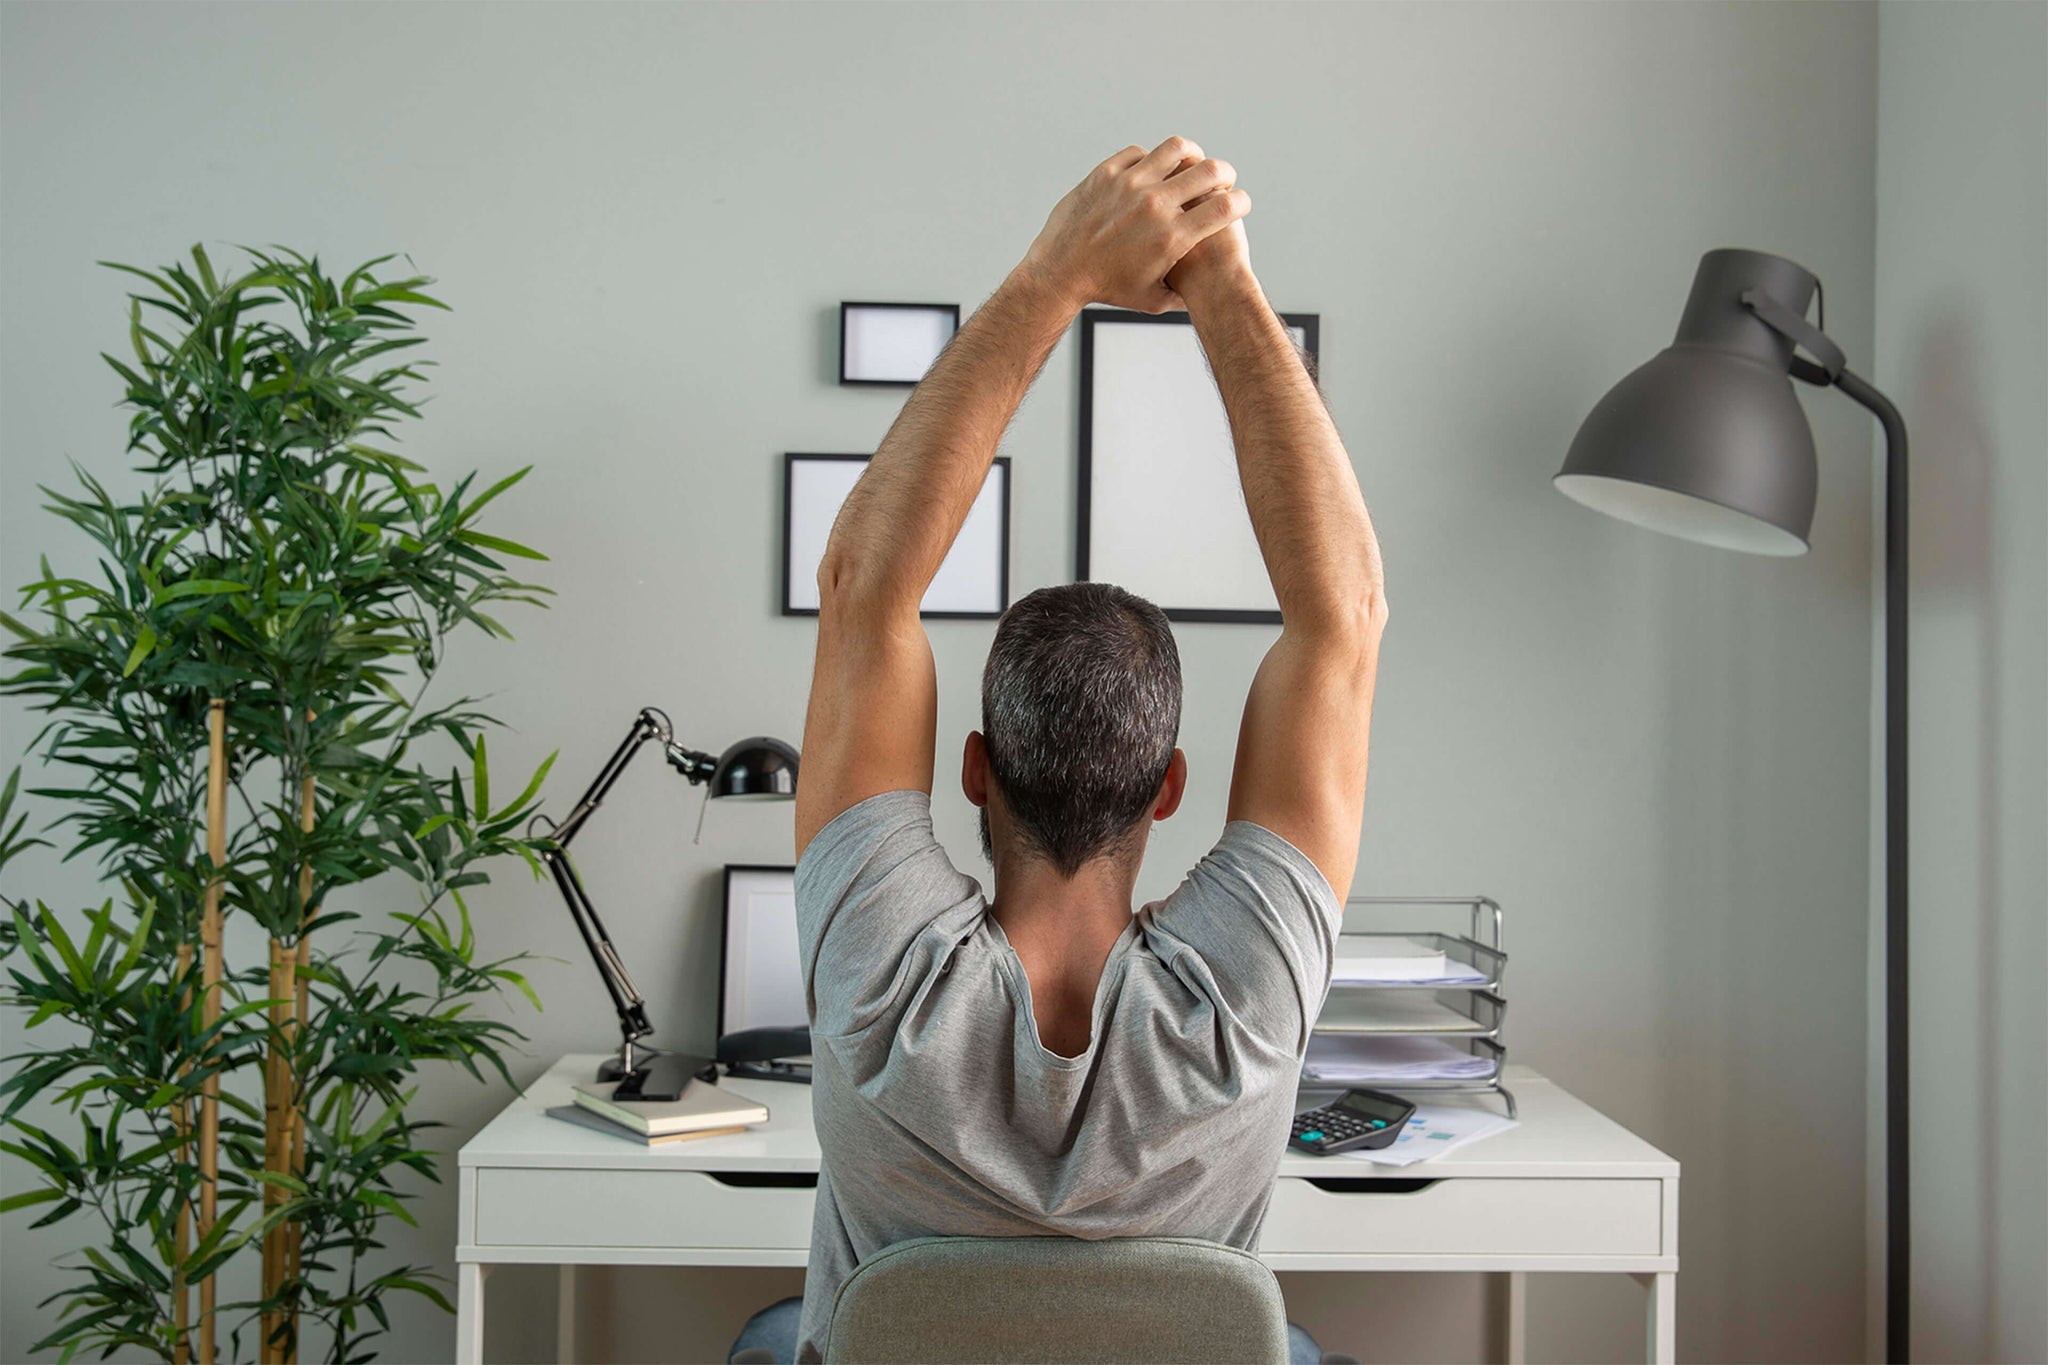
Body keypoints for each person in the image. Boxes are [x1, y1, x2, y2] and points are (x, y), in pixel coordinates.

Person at [731, 136, 1388, 1365]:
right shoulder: (1240, 1010)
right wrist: (1222, 282)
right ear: (1173, 786)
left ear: (972, 769)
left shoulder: (878, 980)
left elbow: (863, 585)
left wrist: (1053, 273)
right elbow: (1341, 616)